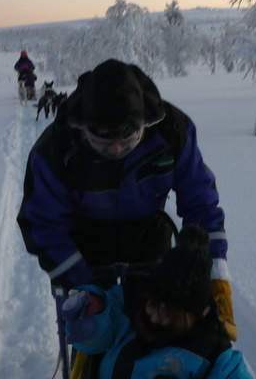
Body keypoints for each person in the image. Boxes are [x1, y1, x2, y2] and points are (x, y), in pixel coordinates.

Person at [17, 58, 237, 340]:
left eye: (129, 138)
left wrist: (213, 262)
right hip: (83, 243)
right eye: (103, 141)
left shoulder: (171, 132)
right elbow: (42, 223)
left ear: (145, 123)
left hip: (148, 235)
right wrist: (82, 279)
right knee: (96, 334)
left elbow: (200, 200)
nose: (118, 148)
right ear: (83, 129)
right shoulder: (56, 149)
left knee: (158, 328)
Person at [60, 225, 256, 379]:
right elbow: (94, 342)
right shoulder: (130, 303)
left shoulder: (210, 347)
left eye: (168, 314)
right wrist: (94, 314)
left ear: (190, 316)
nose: (155, 316)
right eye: (153, 304)